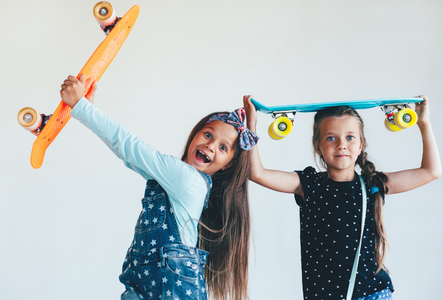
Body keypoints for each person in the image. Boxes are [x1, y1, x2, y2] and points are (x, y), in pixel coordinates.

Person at [59, 74, 259, 300]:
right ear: (195, 134)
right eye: (207, 134)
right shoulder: (174, 178)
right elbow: (128, 156)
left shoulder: (187, 179)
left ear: (227, 165)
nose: (210, 146)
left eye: (223, 147)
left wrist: (83, 108)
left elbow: (129, 147)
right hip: (146, 285)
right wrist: (87, 112)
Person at [243, 95, 441, 300]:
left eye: (350, 137)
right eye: (331, 138)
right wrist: (252, 124)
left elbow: (431, 171)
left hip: (372, 293)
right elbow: (256, 173)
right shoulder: (309, 184)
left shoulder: (373, 184)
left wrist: (423, 123)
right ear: (317, 146)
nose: (341, 145)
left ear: (361, 144)